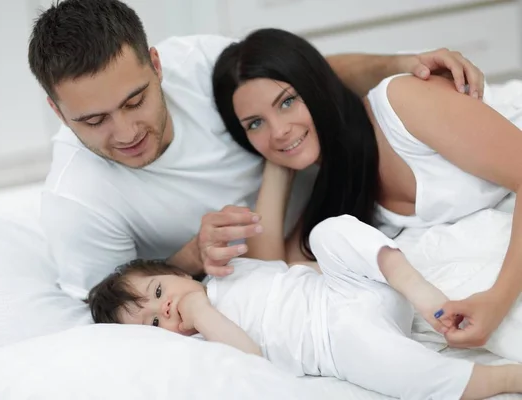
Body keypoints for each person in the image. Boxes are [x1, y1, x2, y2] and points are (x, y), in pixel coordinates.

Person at [28, 0, 486, 298]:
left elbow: (302, 75)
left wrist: (403, 63)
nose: (126, 131)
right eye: (93, 120)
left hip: (343, 188)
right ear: (55, 108)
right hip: (292, 251)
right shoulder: (77, 202)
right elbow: (115, 308)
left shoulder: (198, 62)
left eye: (135, 101)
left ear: (156, 64)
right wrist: (189, 258)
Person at [211, 28, 522, 349]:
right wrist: (277, 164)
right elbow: (269, 275)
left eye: (287, 101)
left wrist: (497, 301)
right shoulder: (341, 186)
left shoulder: (401, 102)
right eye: (255, 123)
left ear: (316, 86)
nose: (277, 130)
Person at [87, 216, 522, 400]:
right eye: (153, 323)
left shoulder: (226, 270)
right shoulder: (204, 341)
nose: (167, 311)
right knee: (391, 368)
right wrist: (200, 312)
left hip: (347, 290)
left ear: (181, 272)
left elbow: (291, 270)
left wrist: (343, 262)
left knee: (328, 232)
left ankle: (424, 295)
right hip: (338, 340)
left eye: (160, 293)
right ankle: (501, 378)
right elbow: (251, 360)